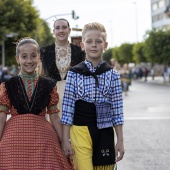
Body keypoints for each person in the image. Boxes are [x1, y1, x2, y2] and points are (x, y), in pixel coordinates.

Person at [0, 37, 73, 170]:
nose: (29, 61)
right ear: (18, 59)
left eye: (33, 56)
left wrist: (64, 142)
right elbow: (1, 118)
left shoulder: (49, 84)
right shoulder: (7, 86)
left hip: (43, 142)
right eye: (24, 56)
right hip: (13, 143)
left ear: (39, 58)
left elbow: (55, 117)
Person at [61, 22, 124, 170]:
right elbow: (68, 109)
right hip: (80, 130)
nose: (94, 45)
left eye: (98, 41)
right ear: (82, 45)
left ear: (105, 45)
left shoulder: (113, 75)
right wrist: (65, 140)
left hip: (105, 132)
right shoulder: (74, 73)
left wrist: (120, 140)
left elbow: (117, 111)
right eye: (89, 41)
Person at [38, 18, 85, 117]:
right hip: (51, 98)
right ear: (53, 31)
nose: (61, 30)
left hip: (74, 97)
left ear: (69, 30)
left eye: (64, 27)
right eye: (57, 28)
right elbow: (40, 76)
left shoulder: (80, 51)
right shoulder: (44, 51)